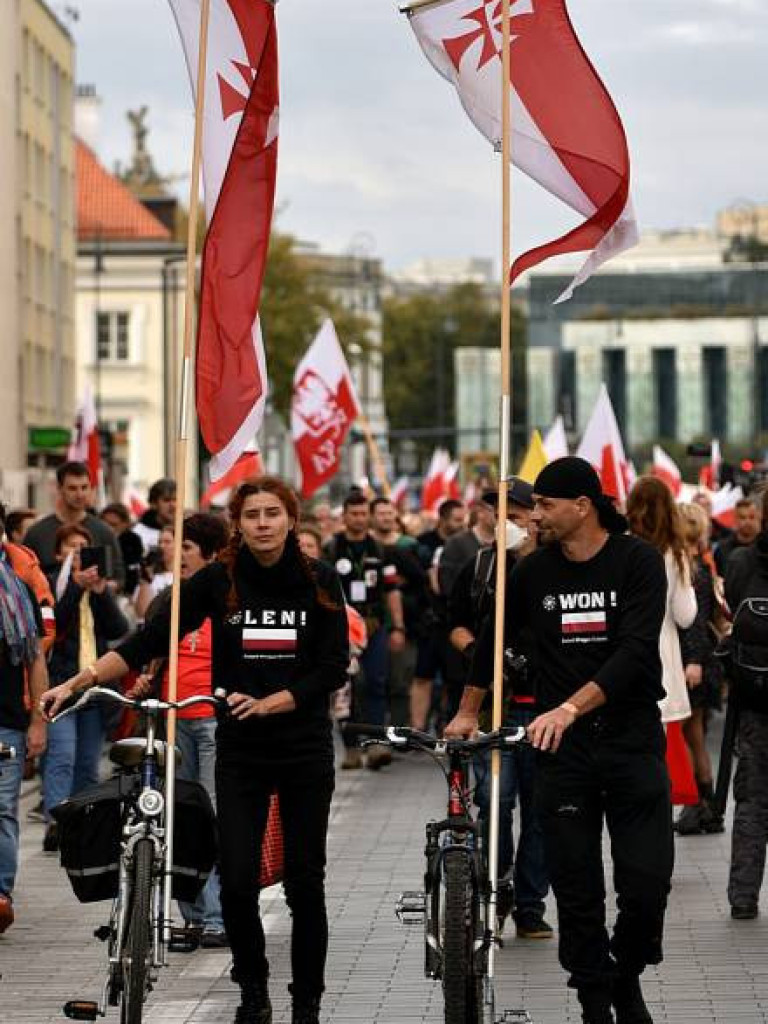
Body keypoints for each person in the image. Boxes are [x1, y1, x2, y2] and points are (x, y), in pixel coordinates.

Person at [41, 476, 349, 1024]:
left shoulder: (318, 580)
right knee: (234, 879)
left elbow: (331, 666)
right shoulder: (216, 580)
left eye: (272, 513)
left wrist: (278, 700)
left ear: (291, 519)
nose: (262, 523)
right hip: (241, 750)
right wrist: (78, 682)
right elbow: (145, 642)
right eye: (251, 514)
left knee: (306, 883)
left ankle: (308, 1003)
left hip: (302, 748)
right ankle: (253, 992)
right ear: (238, 522)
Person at [447, 457, 673, 1024]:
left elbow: (635, 652)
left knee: (646, 885)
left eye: (545, 506)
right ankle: (595, 999)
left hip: (629, 739)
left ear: (583, 506)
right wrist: (467, 712)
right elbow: (489, 645)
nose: (534, 516)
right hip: (562, 754)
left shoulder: (638, 563)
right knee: (575, 890)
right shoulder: (531, 573)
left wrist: (571, 707)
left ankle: (627, 972)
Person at [448, 478, 552, 940]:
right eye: (499, 512)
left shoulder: (556, 567)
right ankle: (496, 886)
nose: (506, 521)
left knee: (541, 810)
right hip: (496, 711)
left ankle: (530, 905)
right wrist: (474, 648)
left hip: (546, 709)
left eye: (516, 512)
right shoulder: (481, 567)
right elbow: (451, 623)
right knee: (495, 802)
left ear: (537, 516)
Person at [134, 513, 230, 948]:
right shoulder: (170, 600)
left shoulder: (229, 599)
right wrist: (146, 680)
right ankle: (191, 916)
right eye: (174, 545)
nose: (175, 553)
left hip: (211, 718)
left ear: (208, 554)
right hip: (173, 718)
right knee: (177, 819)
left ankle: (216, 917)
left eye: (185, 547)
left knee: (211, 819)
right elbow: (150, 651)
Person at [42, 523, 129, 852]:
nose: (77, 555)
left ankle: (82, 822)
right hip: (61, 684)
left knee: (88, 763)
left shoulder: (98, 589)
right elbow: (53, 625)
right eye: (70, 548)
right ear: (58, 553)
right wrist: (76, 588)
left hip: (94, 688)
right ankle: (56, 823)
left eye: (84, 549)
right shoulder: (53, 584)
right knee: (62, 755)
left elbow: (119, 628)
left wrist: (101, 592)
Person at [324, 491, 405, 770]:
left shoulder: (381, 550)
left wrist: (398, 626)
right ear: (344, 516)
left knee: (376, 683)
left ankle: (375, 744)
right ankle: (350, 748)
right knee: (344, 687)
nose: (359, 519)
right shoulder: (331, 548)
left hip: (375, 626)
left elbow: (392, 591)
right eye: (353, 514)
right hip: (340, 629)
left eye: (363, 514)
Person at [0, 502, 49, 934]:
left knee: (2, 809)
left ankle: (0, 896)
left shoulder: (18, 590)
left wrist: (38, 720)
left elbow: (35, 659)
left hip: (8, 719)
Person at [724, 486, 768, 920]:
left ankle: (743, 895)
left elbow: (734, 607)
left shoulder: (742, 561)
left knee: (753, 800)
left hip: (755, 698)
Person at [626, 477, 697, 727]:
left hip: (620, 654)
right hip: (660, 656)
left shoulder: (618, 546)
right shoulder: (674, 554)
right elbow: (685, 615)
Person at [673, 502, 725, 836]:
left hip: (691, 663)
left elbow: (692, 624)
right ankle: (709, 808)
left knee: (688, 737)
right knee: (695, 739)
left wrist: (691, 661)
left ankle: (697, 806)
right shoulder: (702, 564)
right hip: (701, 661)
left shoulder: (689, 567)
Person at [411, 498, 467, 730]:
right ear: (443, 519)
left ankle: (447, 726)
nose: (461, 524)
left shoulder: (465, 545)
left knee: (453, 681)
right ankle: (417, 730)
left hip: (453, 623)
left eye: (463, 519)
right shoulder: (422, 544)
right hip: (429, 623)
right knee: (423, 676)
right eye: (456, 520)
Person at [24, 461, 125, 589]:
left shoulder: (104, 532)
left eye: (84, 487)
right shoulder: (37, 533)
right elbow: (25, 578)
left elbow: (119, 577)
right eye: (72, 488)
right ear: (60, 489)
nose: (80, 494)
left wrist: (99, 587)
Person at [101, 502, 144, 596]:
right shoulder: (96, 539)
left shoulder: (132, 541)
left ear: (125, 524)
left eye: (113, 525)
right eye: (105, 525)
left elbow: (133, 571)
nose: (109, 529)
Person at [133, 525, 175, 621]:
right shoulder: (152, 576)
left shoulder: (186, 575)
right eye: (159, 542)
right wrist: (145, 581)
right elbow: (142, 612)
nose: (161, 546)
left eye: (167, 542)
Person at [714, 496, 761, 575]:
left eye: (752, 517)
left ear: (759, 518)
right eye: (742, 517)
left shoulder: (764, 548)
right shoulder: (722, 549)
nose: (747, 522)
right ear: (735, 519)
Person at [133, 477, 176, 554]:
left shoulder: (188, 529)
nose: (173, 505)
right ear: (154, 504)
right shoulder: (138, 534)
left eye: (175, 500)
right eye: (167, 500)